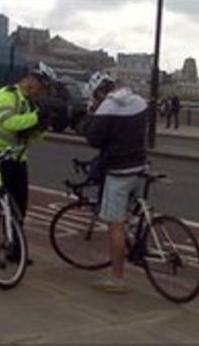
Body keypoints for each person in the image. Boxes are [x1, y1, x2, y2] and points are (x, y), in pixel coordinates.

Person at [0, 61, 56, 260]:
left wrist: (42, 127)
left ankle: (15, 250)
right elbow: (9, 122)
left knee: (19, 208)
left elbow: (32, 140)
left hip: (17, 160)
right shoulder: (7, 95)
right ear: (32, 82)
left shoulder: (30, 104)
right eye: (42, 88)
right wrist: (36, 118)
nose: (42, 94)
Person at [79, 71, 148, 293]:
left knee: (115, 225)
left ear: (100, 91)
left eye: (95, 95)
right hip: (140, 166)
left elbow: (94, 139)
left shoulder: (107, 107)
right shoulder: (138, 101)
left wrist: (92, 113)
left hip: (119, 172)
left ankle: (117, 278)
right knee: (132, 214)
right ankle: (139, 241)